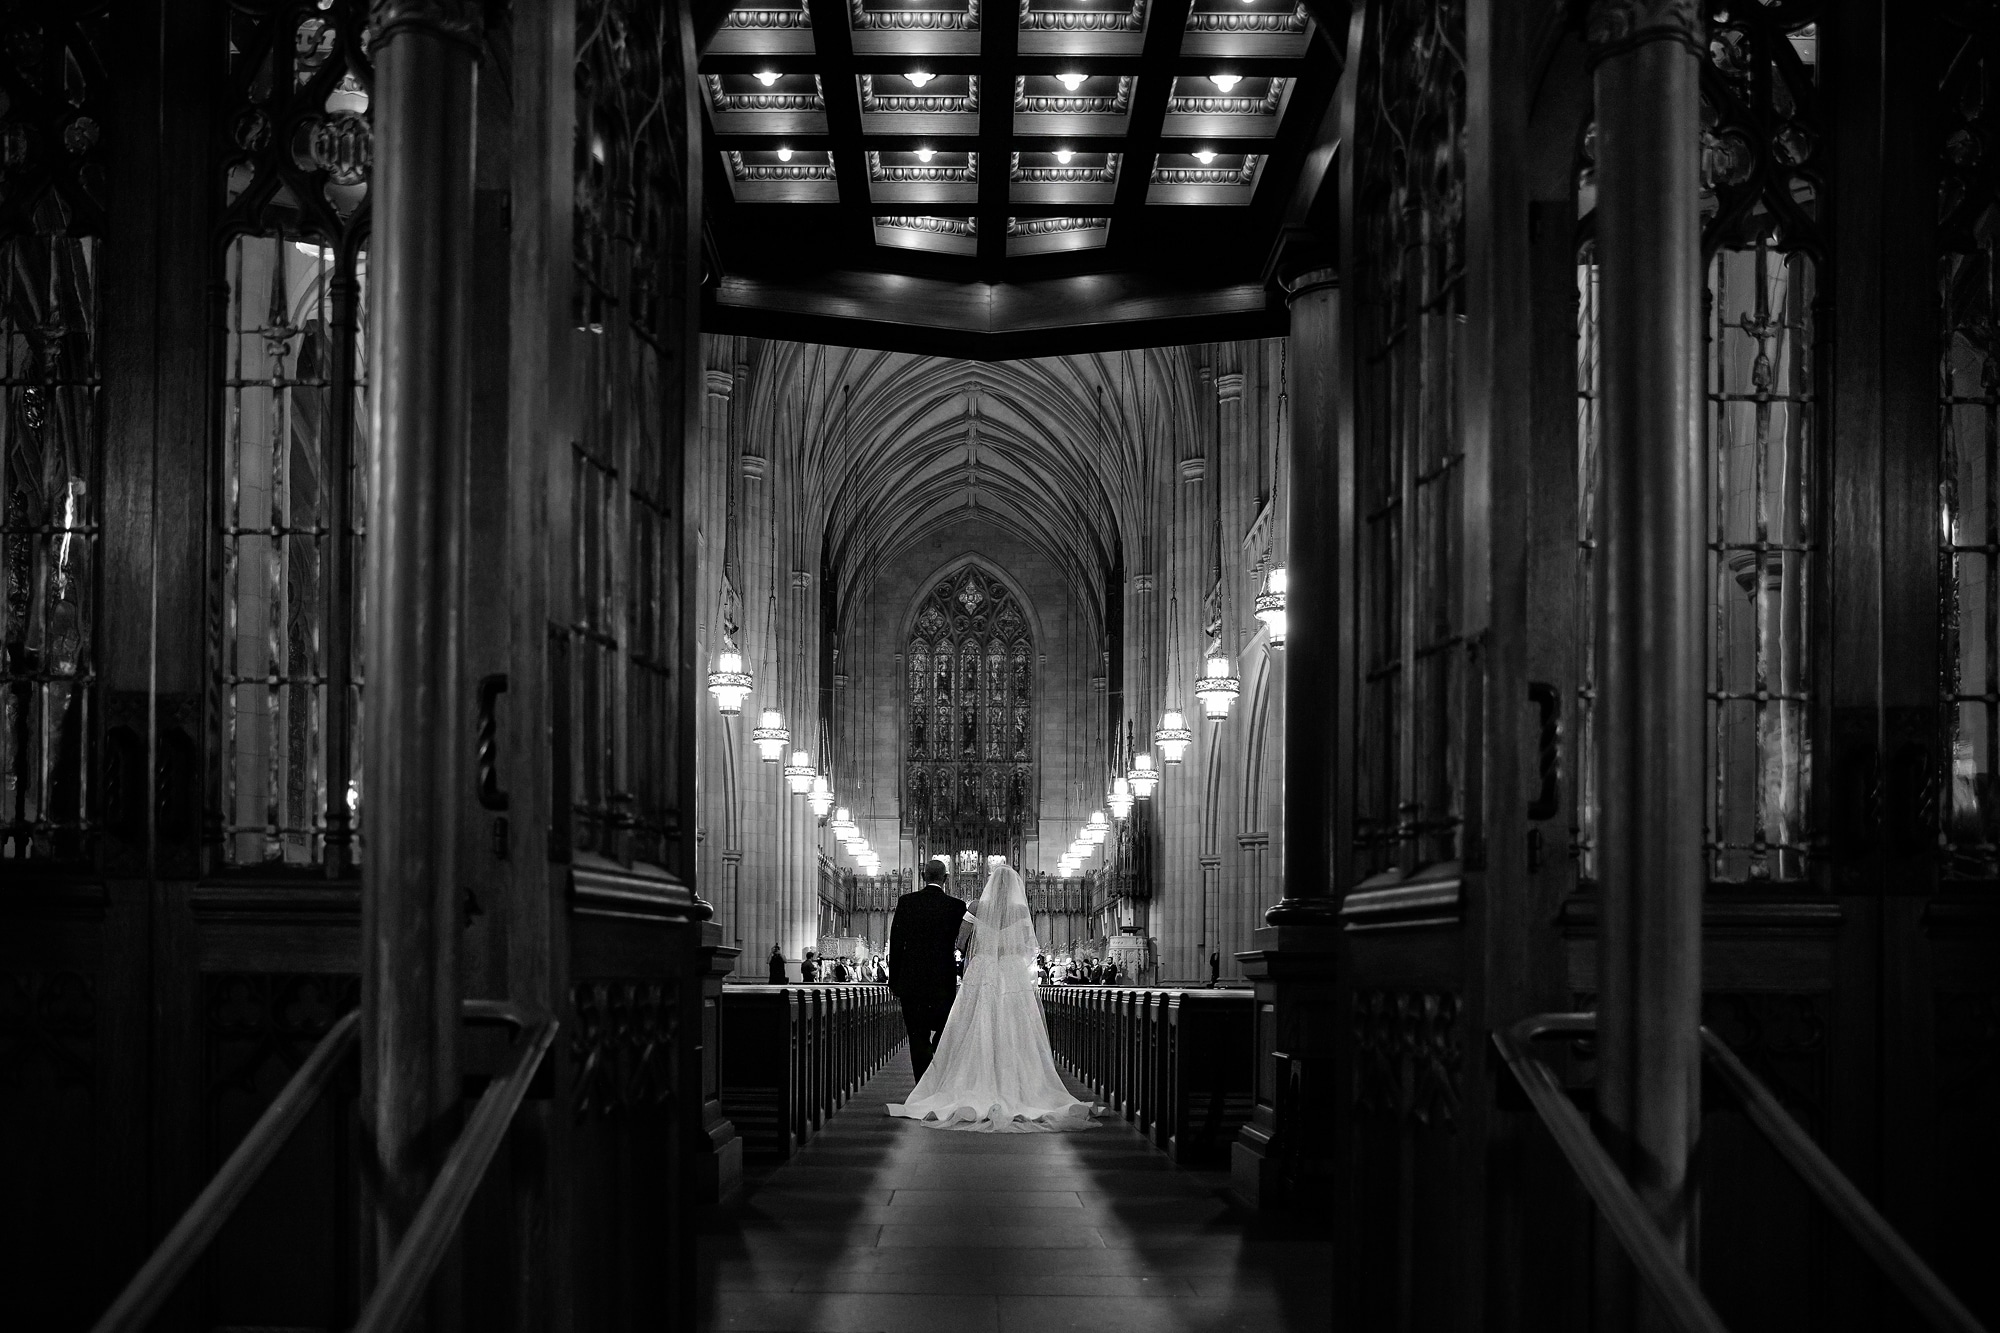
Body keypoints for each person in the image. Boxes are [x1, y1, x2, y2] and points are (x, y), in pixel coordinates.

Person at [888, 861, 1099, 1133]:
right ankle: (1017, 1085)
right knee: (1014, 1030)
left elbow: (961, 943)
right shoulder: (1019, 910)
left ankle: (947, 1081)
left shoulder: (975, 908)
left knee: (972, 1028)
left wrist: (980, 950)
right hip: (1009, 974)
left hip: (981, 973)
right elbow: (1027, 946)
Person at [888, 858, 968, 1081]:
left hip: (911, 981)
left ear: (923, 877)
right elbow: (963, 944)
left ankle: (922, 1083)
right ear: (945, 878)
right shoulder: (956, 906)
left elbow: (896, 942)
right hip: (942, 980)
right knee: (943, 1028)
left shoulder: (907, 902)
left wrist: (894, 980)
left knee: (916, 1034)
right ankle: (937, 1071)